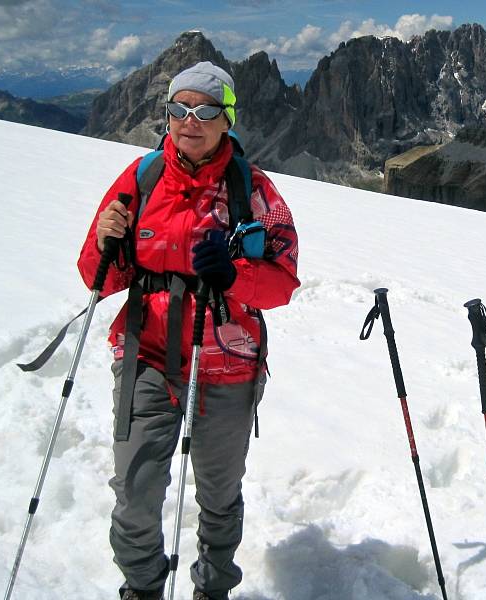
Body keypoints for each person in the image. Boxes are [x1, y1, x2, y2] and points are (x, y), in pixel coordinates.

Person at [77, 61, 300, 600]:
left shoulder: (255, 191)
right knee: (135, 493)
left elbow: (283, 283)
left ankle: (212, 588)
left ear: (227, 119)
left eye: (204, 110)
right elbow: (95, 277)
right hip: (146, 356)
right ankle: (143, 588)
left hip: (228, 365)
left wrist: (233, 275)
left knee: (220, 496)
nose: (189, 120)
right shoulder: (142, 178)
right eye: (178, 109)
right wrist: (109, 243)